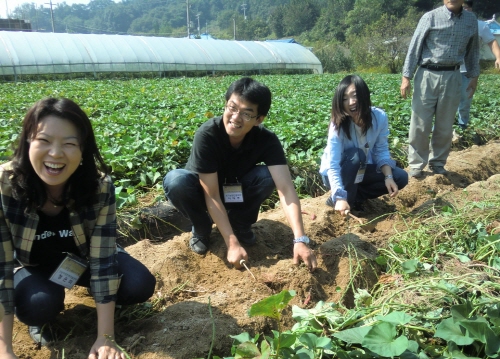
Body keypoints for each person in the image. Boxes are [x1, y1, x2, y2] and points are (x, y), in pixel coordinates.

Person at [0, 98, 156, 359]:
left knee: (139, 284)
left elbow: (103, 259)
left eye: (69, 144)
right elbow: (1, 268)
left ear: (83, 149)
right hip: (31, 265)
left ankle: (106, 307)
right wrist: (5, 350)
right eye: (44, 141)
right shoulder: (5, 186)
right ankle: (42, 316)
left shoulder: (99, 186)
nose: (55, 154)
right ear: (28, 141)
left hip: (83, 259)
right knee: (40, 304)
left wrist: (106, 338)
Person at [163, 77, 317, 271]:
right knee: (176, 180)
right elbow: (211, 194)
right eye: (232, 108)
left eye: (246, 113)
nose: (235, 117)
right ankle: (201, 228)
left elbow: (286, 189)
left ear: (259, 119)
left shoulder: (266, 140)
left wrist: (300, 239)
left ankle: (240, 223)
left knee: (268, 176)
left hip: (236, 191)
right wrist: (231, 243)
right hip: (204, 193)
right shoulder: (208, 135)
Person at [401, 0, 479, 178]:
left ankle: (437, 163)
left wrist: (474, 76)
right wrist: (406, 77)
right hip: (427, 74)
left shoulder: (470, 20)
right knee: (420, 122)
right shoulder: (430, 17)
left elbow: (472, 51)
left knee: (445, 124)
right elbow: (414, 48)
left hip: (453, 75)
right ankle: (416, 164)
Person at [319, 75, 408, 216]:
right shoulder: (338, 125)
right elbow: (333, 164)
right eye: (344, 99)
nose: (351, 102)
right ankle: (343, 197)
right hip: (338, 171)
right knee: (356, 155)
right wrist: (340, 196)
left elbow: (381, 150)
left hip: (360, 169)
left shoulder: (379, 117)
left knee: (400, 177)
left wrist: (388, 177)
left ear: (364, 94)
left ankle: (353, 197)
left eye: (355, 95)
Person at [457, 0, 500, 130]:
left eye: (466, 8)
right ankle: (442, 129)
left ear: (471, 9)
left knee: (465, 99)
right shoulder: (451, 23)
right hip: (449, 69)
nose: (464, 11)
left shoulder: (480, 25)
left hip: (469, 70)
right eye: (461, 8)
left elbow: (492, 42)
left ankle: (462, 127)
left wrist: (498, 57)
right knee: (445, 100)